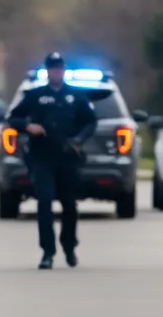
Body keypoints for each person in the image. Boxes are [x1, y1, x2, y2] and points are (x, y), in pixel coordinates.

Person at [6, 52, 98, 269]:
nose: (56, 71)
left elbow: (90, 122)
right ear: (47, 70)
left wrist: (78, 141)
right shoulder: (35, 95)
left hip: (67, 157)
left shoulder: (76, 96)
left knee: (69, 205)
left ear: (63, 70)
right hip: (42, 156)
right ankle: (47, 251)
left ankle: (69, 246)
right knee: (44, 203)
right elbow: (13, 118)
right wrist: (28, 127)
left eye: (59, 67)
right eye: (52, 68)